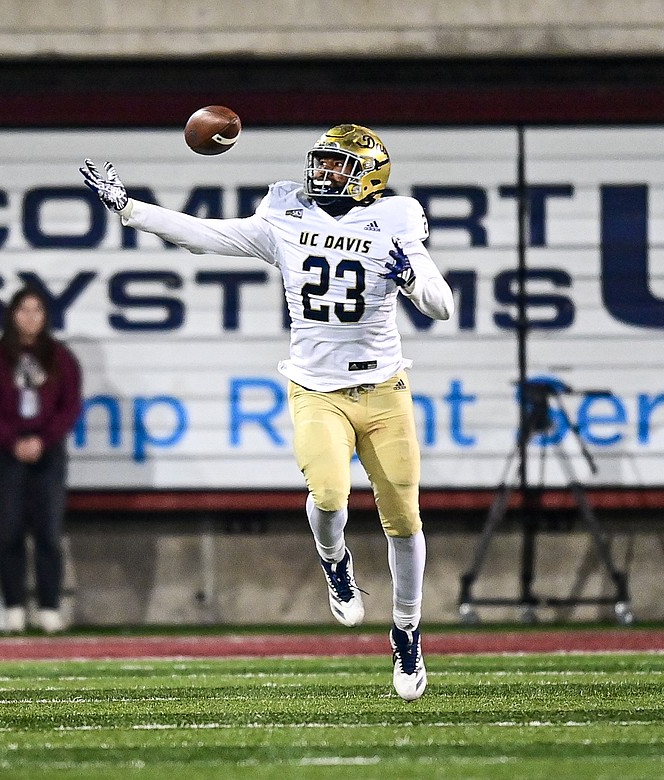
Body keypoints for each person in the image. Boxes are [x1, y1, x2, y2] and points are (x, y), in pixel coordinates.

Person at [80, 123, 454, 701]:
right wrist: (130, 208)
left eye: (338, 166)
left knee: (403, 520)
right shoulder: (287, 214)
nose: (324, 174)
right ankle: (336, 565)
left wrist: (411, 281)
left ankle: (407, 630)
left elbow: (442, 305)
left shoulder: (398, 219)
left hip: (384, 389)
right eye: (322, 163)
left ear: (370, 177)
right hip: (316, 388)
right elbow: (205, 235)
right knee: (329, 495)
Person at [0, 286, 83, 634]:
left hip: (48, 453)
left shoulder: (60, 357)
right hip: (7, 455)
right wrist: (11, 441)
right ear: (12, 314)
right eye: (24, 310)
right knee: (9, 532)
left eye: (37, 310)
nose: (31, 317)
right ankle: (14, 607)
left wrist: (44, 439)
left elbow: (69, 405)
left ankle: (50, 607)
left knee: (49, 533)